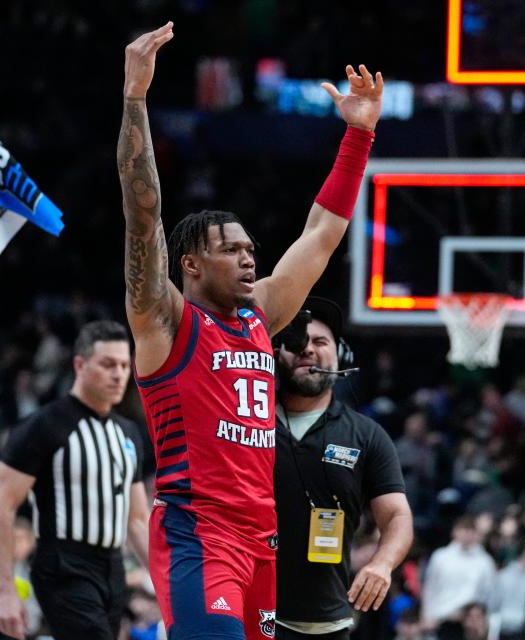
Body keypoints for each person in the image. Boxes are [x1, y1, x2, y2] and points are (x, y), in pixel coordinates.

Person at [116, 22, 382, 640]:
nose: (248, 258)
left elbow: (321, 233)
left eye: (250, 248)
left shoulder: (259, 316)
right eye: (230, 249)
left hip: (263, 539)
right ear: (189, 264)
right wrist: (135, 101)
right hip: (198, 532)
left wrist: (358, 137)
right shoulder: (165, 319)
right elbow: (142, 213)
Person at [0, 320, 151, 640]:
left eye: (122, 365)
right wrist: (6, 590)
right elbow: (1, 507)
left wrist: (165, 580)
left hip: (114, 566)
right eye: (107, 365)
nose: (118, 374)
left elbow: (137, 521)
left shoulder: (128, 433)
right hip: (64, 563)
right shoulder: (44, 426)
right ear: (79, 365)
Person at [273, 296, 413, 639]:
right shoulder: (246, 422)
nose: (307, 350)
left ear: (342, 355)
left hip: (325, 624)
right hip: (248, 613)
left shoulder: (367, 436)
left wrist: (382, 563)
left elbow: (397, 516)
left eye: (320, 341)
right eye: (296, 343)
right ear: (274, 354)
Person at [421, 516, 496, 640]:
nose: (466, 535)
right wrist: (427, 615)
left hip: (470, 623)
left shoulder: (485, 562)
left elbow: (488, 593)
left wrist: (481, 621)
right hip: (442, 619)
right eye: (463, 530)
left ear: (476, 534)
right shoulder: (440, 557)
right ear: (454, 531)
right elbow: (430, 587)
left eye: (470, 530)